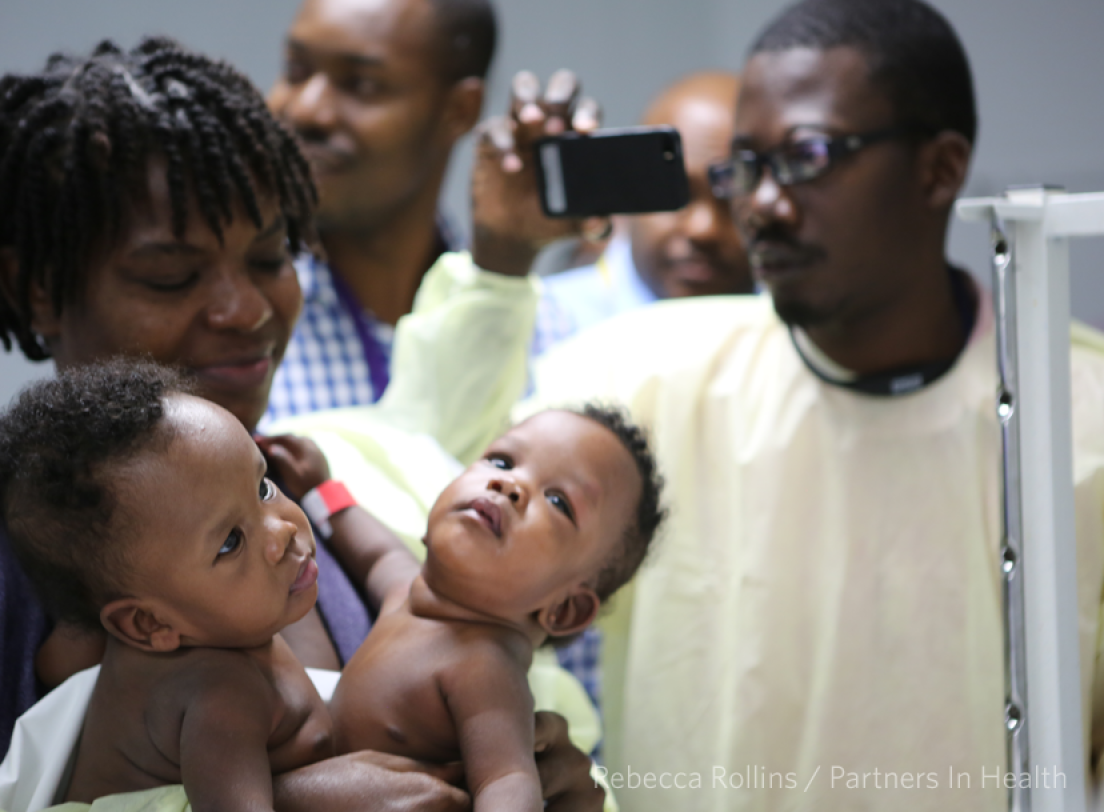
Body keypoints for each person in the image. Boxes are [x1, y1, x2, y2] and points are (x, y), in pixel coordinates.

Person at [266, 0, 1104, 807]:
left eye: (810, 155)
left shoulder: (1082, 408)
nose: (765, 204)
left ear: (940, 168)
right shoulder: (654, 367)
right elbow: (430, 440)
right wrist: (505, 255)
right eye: (752, 166)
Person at [0, 35, 603, 812]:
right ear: (33, 285)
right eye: (171, 276)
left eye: (273, 258)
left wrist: (552, 778)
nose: (248, 310)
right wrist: (296, 799)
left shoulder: (329, 480)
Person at [0, 361, 333, 810]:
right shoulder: (220, 698)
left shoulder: (205, 622)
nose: (281, 530)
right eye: (230, 542)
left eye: (262, 488)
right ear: (146, 622)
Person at [326, 406, 665, 812]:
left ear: (564, 609)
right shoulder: (408, 596)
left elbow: (508, 781)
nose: (509, 484)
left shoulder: (484, 668)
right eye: (502, 461)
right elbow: (376, 552)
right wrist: (319, 488)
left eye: (558, 501)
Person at [261, 0, 575, 419]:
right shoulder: (239, 324)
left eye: (361, 84)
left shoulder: (540, 335)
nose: (305, 110)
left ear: (459, 111)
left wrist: (503, 261)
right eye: (295, 71)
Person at [541, 72, 754, 333]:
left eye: (730, 197)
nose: (703, 229)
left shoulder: (801, 331)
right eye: (677, 193)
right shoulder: (548, 325)